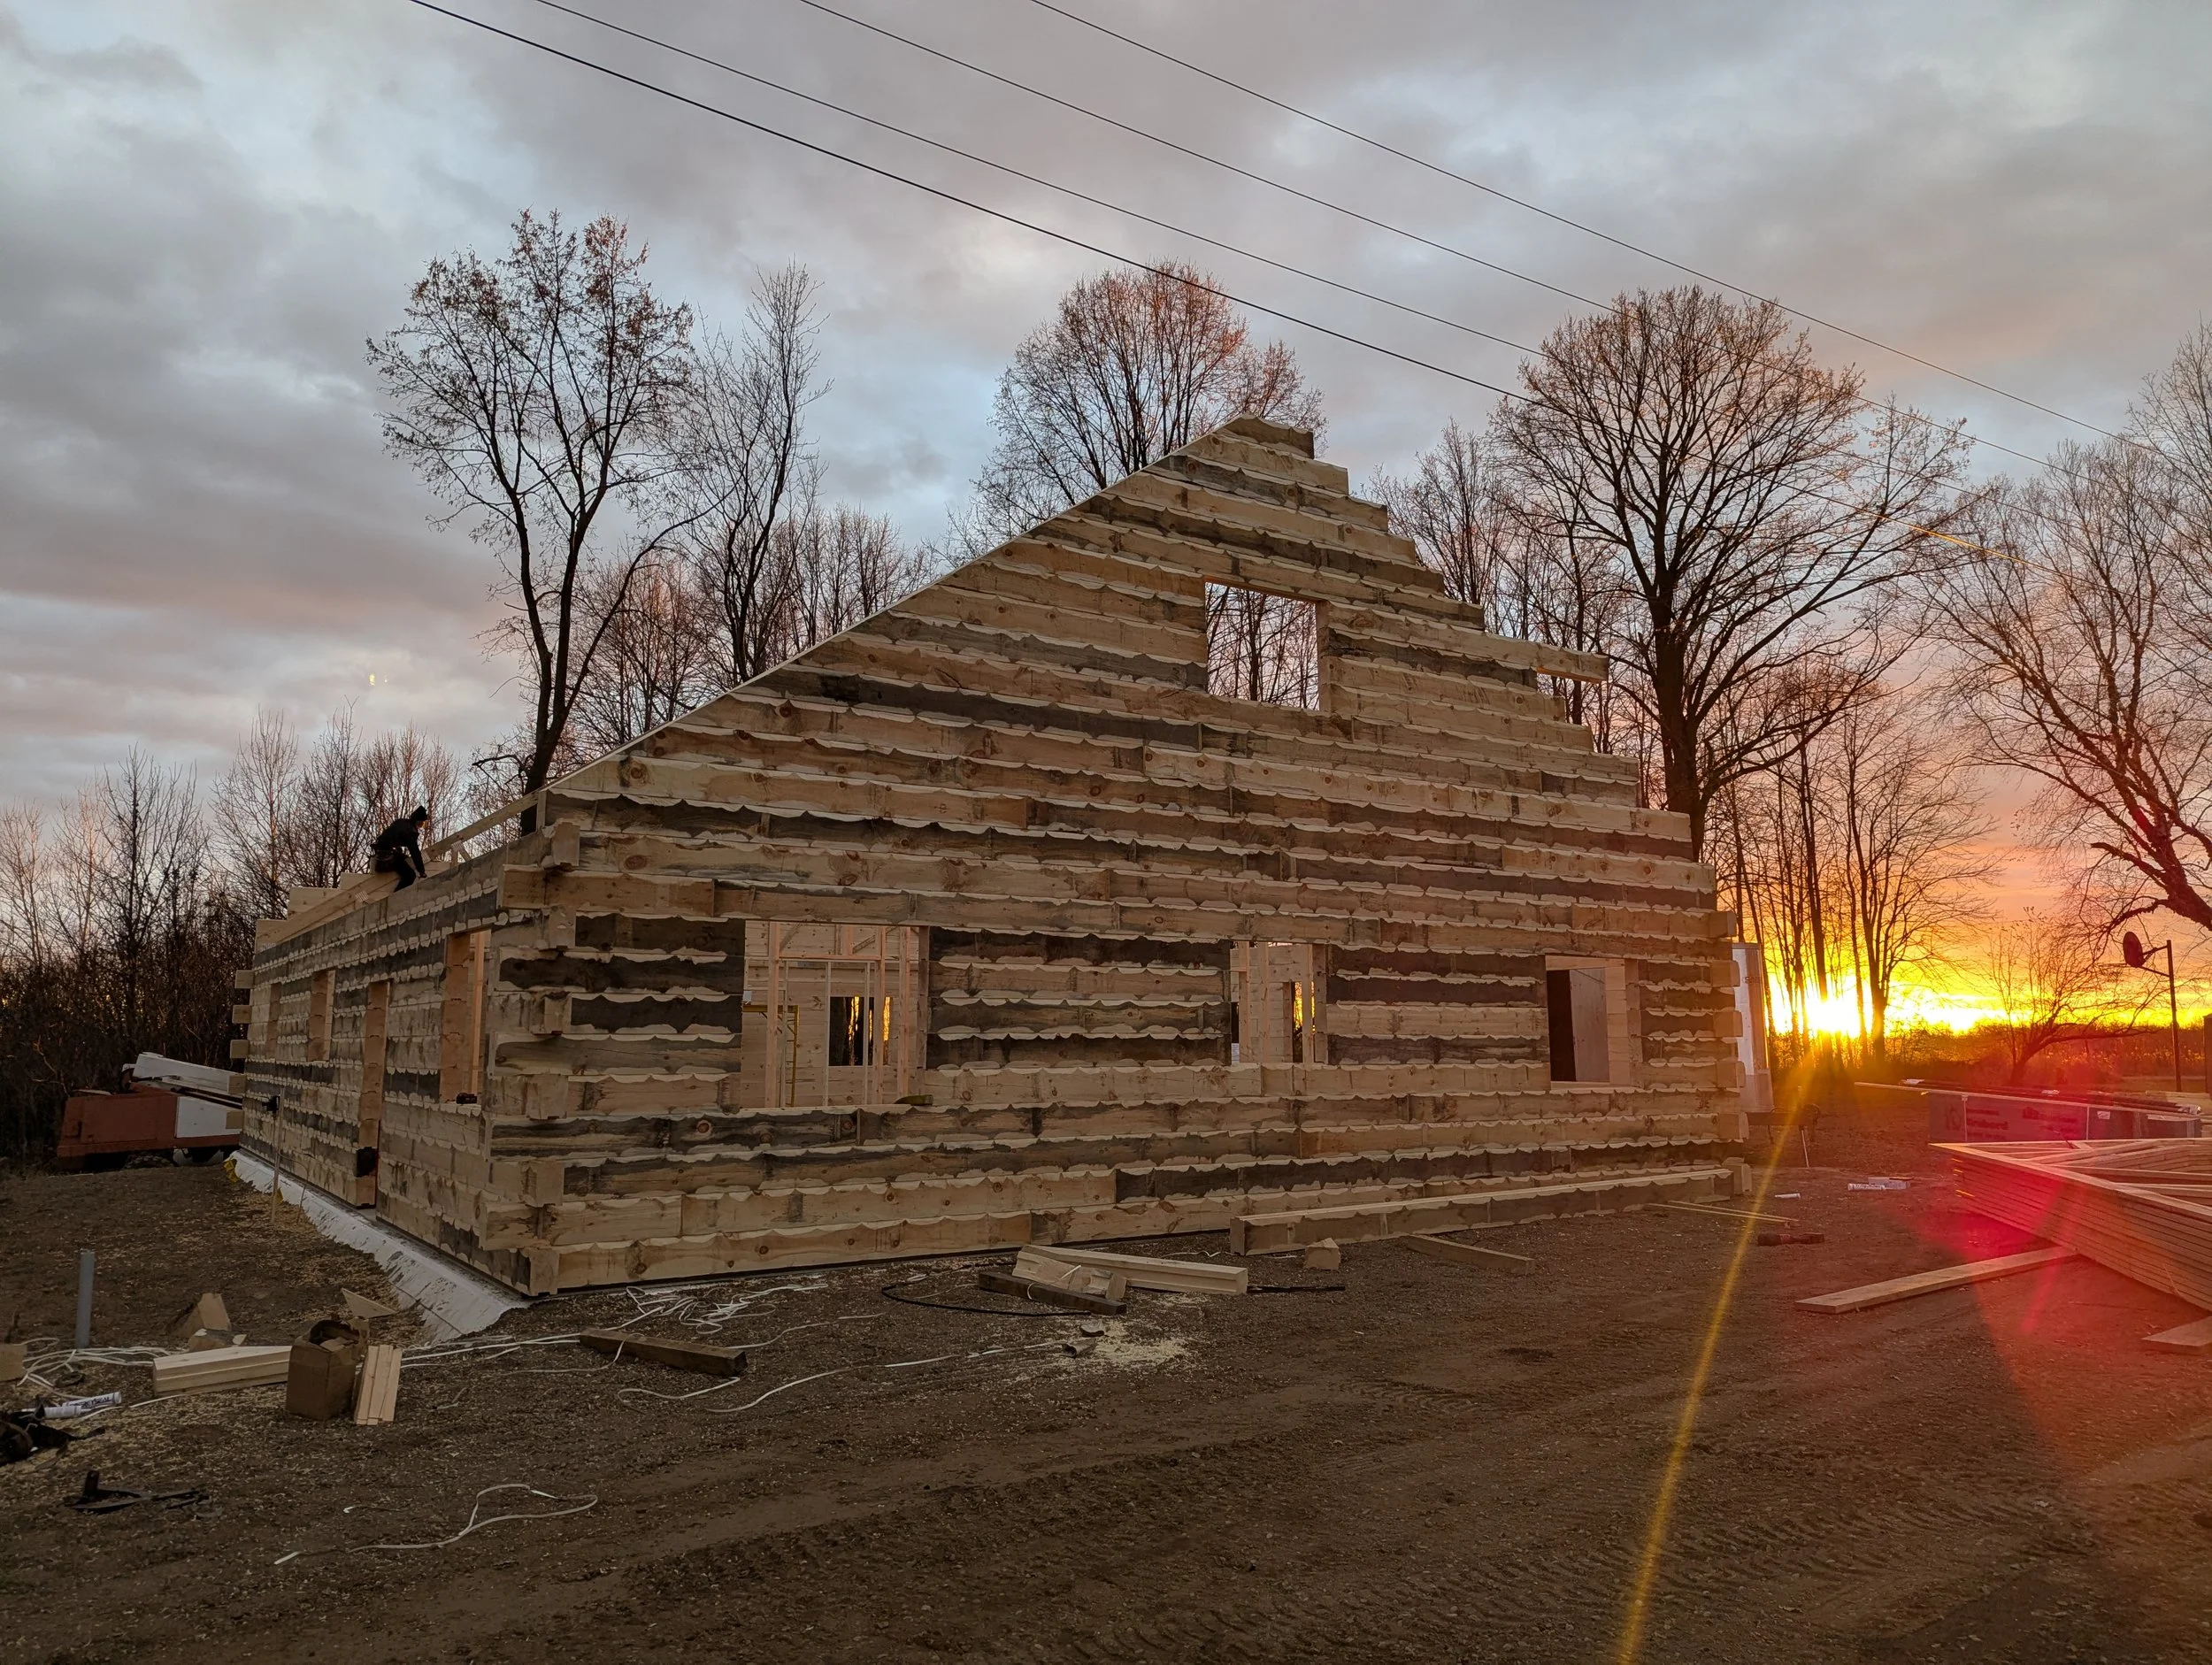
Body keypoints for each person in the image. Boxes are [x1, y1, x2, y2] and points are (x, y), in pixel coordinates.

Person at [372, 805, 430, 889]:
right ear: (417, 821)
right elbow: (415, 852)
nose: (421, 827)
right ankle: (395, 899)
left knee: (402, 859)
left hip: (382, 849)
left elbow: (392, 836)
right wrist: (422, 871)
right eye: (421, 823)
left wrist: (398, 850)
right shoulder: (410, 832)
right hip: (386, 853)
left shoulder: (402, 822)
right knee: (410, 875)